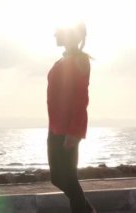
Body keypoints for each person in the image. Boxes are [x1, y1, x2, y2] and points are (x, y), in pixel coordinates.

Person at [47, 22, 97, 213]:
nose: (55, 36)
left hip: (68, 129)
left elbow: (81, 99)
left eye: (58, 33)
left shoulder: (79, 60)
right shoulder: (63, 60)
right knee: (57, 178)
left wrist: (74, 131)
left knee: (68, 178)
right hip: (55, 127)